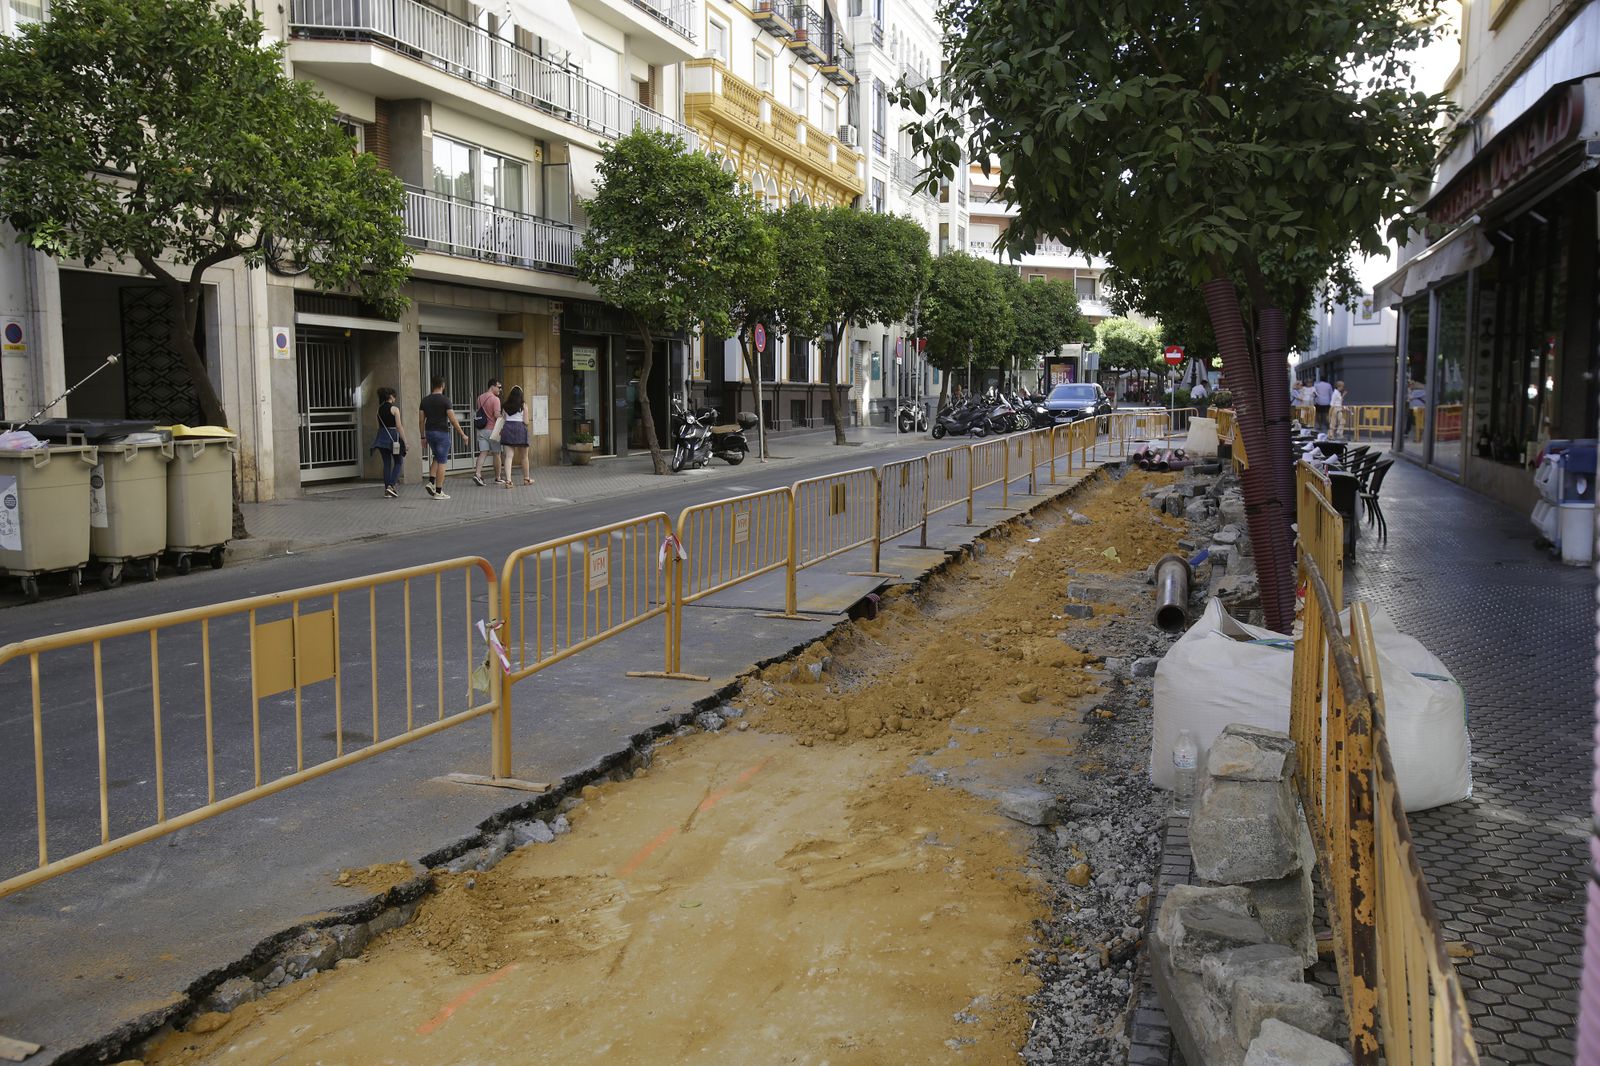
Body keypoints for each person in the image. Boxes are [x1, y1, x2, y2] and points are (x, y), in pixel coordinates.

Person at [418, 375, 469, 500]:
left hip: (429, 432)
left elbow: (420, 420)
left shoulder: (424, 400)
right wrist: (463, 434)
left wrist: (422, 437)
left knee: (436, 456)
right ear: (443, 386)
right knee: (442, 461)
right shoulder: (445, 400)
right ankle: (439, 491)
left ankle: (431, 482)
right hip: (441, 433)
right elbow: (452, 419)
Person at [370, 386, 408, 498]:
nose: (395, 398)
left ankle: (387, 490)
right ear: (390, 396)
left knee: (386, 463)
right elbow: (399, 426)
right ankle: (391, 486)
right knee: (398, 462)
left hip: (381, 438)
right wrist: (405, 441)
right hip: (393, 438)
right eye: (394, 395)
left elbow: (378, 426)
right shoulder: (395, 409)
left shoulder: (378, 410)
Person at [500, 384, 534, 487]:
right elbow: (526, 421)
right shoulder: (523, 405)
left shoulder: (505, 405)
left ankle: (509, 481)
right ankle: (526, 479)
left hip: (508, 429)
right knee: (524, 457)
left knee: (509, 457)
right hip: (520, 430)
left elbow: (503, 418)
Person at [472, 378, 503, 487]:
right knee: (496, 453)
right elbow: (496, 415)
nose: (500, 389)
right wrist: (503, 417)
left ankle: (478, 474)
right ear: (492, 386)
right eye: (499, 387)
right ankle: (498, 477)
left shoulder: (480, 397)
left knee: (483, 452)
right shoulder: (496, 399)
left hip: (481, 429)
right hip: (492, 431)